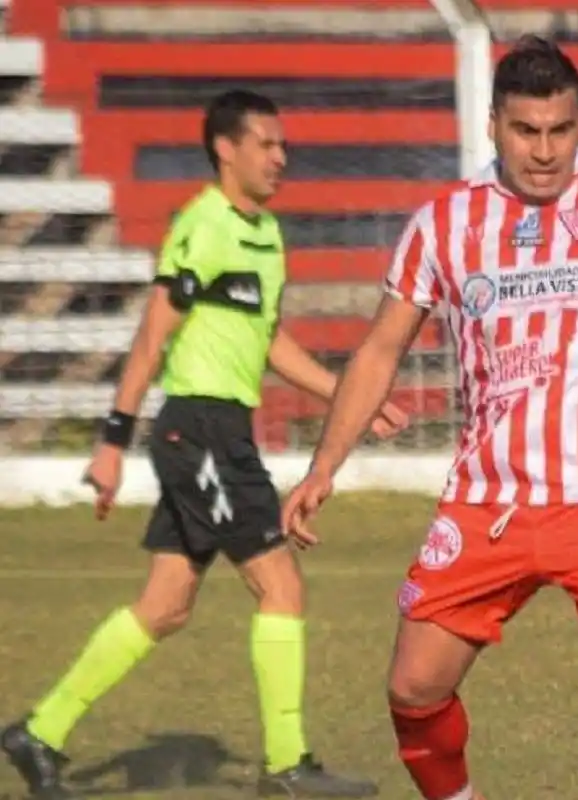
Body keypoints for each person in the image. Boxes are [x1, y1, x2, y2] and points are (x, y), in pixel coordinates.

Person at [281, 35, 578, 800]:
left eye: (561, 129)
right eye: (527, 131)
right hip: (488, 502)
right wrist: (323, 469)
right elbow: (379, 350)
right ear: (494, 124)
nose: (546, 150)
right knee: (414, 691)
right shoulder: (445, 224)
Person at [1, 89, 403, 799]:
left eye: (283, 145)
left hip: (219, 432)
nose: (281, 157)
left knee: (165, 606)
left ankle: (40, 734)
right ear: (227, 149)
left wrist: (350, 399)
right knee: (279, 584)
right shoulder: (203, 225)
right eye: (267, 144)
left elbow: (269, 341)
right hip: (201, 428)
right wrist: (110, 442)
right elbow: (155, 330)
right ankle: (287, 766)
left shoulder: (267, 236)